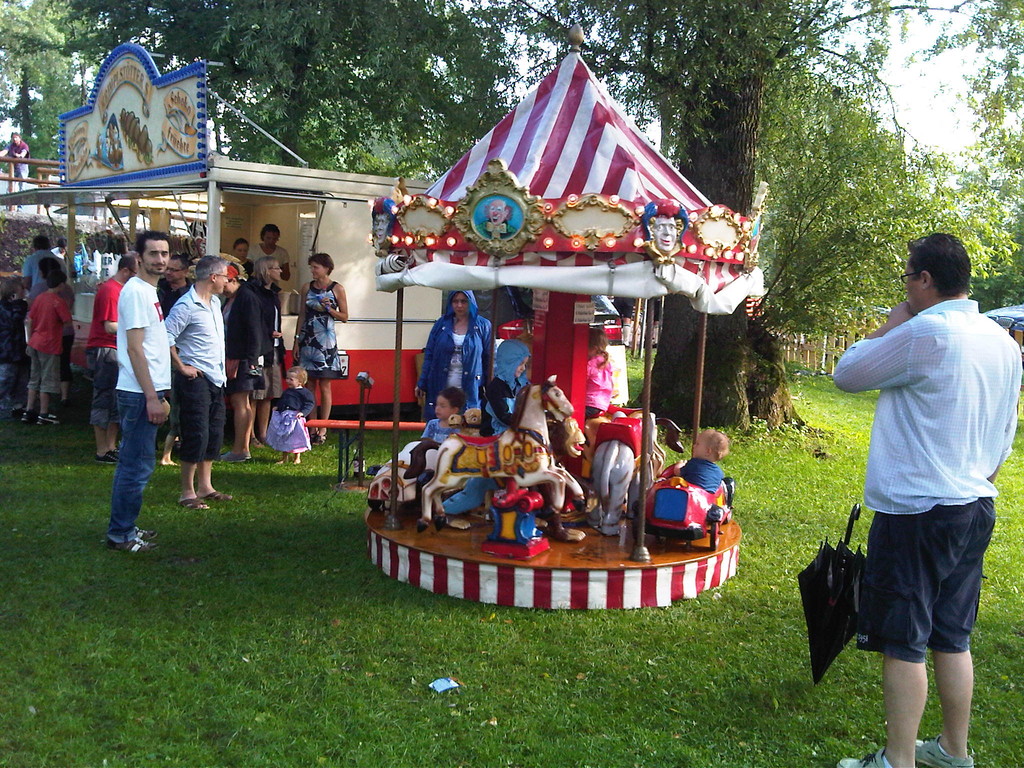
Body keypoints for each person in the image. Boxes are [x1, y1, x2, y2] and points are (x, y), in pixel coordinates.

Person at [832, 234, 1021, 768]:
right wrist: (975, 478)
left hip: (917, 510)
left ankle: (898, 761)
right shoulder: (1002, 342)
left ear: (924, 279)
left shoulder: (924, 332)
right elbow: (1003, 434)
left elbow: (847, 375)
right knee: (953, 636)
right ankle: (953, 751)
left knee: (903, 640)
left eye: (907, 277)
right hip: (974, 504)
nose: (905, 289)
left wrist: (891, 324)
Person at [106, 230, 172, 553]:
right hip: (137, 393)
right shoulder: (135, 292)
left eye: (164, 253)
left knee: (137, 464)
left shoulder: (148, 291)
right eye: (153, 254)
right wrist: (150, 397)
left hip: (147, 390)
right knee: (135, 466)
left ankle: (126, 527)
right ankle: (121, 534)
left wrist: (160, 393)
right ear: (139, 258)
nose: (160, 259)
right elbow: (134, 349)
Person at [440, 339, 531, 527]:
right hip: (494, 439)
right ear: (509, 362)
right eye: (520, 364)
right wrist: (527, 422)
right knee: (476, 489)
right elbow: (504, 416)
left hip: (512, 438)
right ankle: (444, 511)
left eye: (524, 364)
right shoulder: (496, 387)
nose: (522, 368)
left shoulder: (520, 385)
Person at [165, 255, 233, 509]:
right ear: (213, 277)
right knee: (196, 432)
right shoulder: (187, 305)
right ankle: (187, 492)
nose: (227, 281)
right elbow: (165, 335)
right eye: (225, 276)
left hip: (216, 377)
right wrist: (181, 366)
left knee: (214, 431)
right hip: (196, 379)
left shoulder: (214, 302)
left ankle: (206, 486)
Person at [86, 255, 138, 462]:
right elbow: (109, 326)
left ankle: (110, 446)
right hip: (106, 349)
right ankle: (102, 449)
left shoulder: (120, 289)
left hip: (116, 348)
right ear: (125, 270)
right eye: (135, 273)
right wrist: (136, 328)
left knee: (116, 399)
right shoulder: (110, 291)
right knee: (104, 398)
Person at [293, 252, 348, 444]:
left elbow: (345, 316)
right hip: (308, 339)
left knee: (325, 385)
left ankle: (323, 428)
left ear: (326, 268)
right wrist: (296, 340)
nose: (312, 271)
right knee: (309, 384)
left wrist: (329, 309)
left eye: (315, 267)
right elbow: (302, 314)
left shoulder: (337, 289)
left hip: (325, 342)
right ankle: (312, 426)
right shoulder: (306, 287)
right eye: (311, 267)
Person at [415, 290, 492, 421]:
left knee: (468, 424)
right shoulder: (441, 324)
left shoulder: (483, 325)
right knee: (440, 424)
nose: (459, 305)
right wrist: (422, 382)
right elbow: (429, 355)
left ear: (471, 302)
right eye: (455, 301)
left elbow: (490, 359)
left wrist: (491, 387)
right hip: (441, 385)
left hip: (471, 388)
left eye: (463, 301)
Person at [22, 269, 72, 425]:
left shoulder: (39, 298)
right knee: (48, 380)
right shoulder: (58, 301)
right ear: (61, 284)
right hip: (50, 344)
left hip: (35, 341)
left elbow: (30, 320)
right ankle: (43, 413)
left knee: (34, 378)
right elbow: (67, 321)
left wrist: (29, 339)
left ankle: (29, 410)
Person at [158, 253, 191, 465]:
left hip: (181, 350)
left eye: (173, 269)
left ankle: (177, 436)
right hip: (159, 349)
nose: (168, 273)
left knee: (179, 397)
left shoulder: (190, 294)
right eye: (167, 269)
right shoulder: (159, 290)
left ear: (185, 272)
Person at [250, 256, 286, 445]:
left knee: (268, 393)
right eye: (276, 268)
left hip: (274, 349)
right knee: (255, 394)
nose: (280, 271)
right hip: (259, 350)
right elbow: (253, 321)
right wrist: (267, 333)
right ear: (267, 270)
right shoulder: (253, 293)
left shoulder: (274, 294)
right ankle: (250, 435)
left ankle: (263, 434)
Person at [266, 366, 316, 464]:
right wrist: (278, 407)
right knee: (284, 436)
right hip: (285, 417)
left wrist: (303, 412)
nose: (287, 381)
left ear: (300, 382)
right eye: (287, 378)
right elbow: (283, 401)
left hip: (296, 418)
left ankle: (297, 457)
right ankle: (284, 457)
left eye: (291, 379)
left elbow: (310, 403)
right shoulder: (287, 391)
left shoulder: (305, 393)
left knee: (296, 437)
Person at [664, 429, 730, 493]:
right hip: (708, 499)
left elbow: (677, 472)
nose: (694, 446)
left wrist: (679, 464)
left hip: (692, 495)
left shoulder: (694, 464)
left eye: (697, 444)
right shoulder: (719, 472)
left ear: (708, 451)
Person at [585, 326, 618, 419]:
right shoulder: (605, 361)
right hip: (602, 403)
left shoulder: (592, 363)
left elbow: (580, 378)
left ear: (594, 349)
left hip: (589, 403)